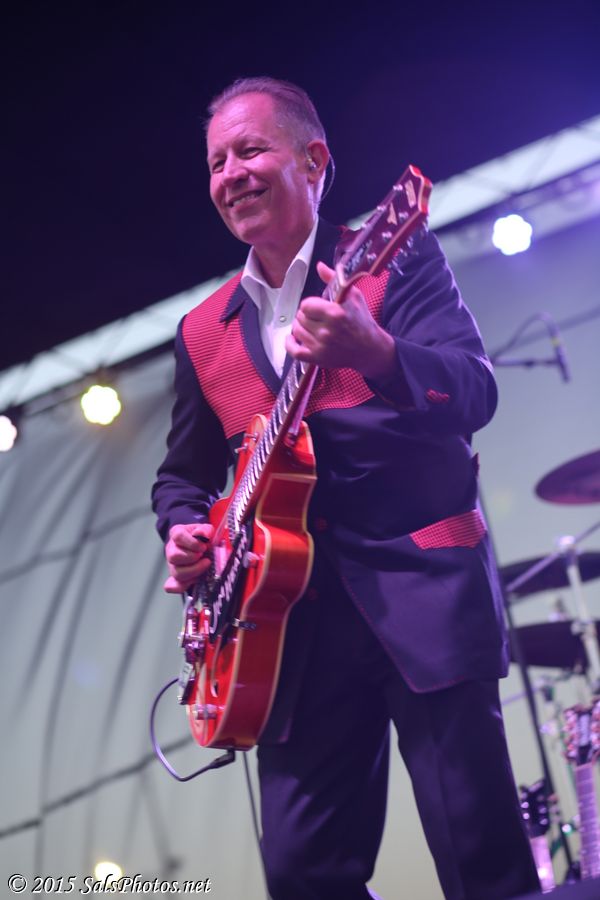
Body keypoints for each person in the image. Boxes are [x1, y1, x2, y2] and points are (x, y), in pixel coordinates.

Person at [152, 76, 540, 900]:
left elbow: (475, 392)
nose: (231, 174)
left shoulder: (393, 256)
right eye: (216, 162)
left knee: (481, 861)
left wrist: (378, 354)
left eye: (250, 150)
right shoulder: (200, 333)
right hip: (284, 631)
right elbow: (181, 476)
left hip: (424, 593)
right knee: (301, 875)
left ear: (314, 160)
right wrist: (184, 529)